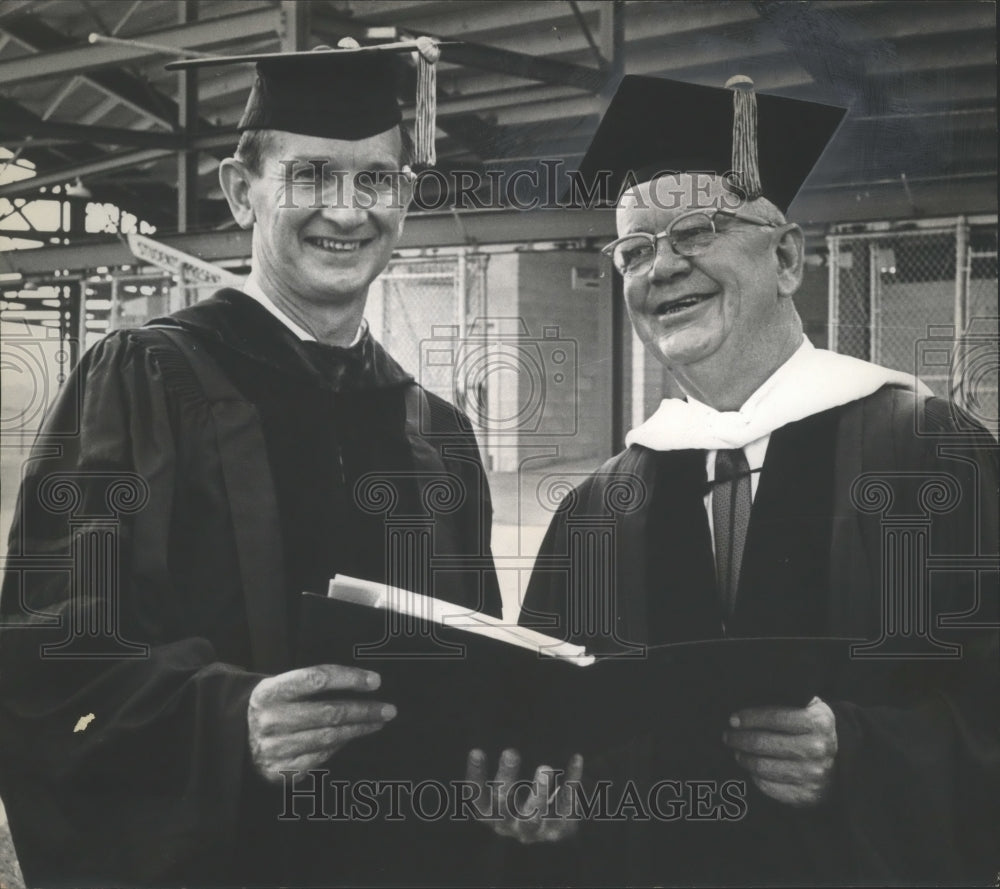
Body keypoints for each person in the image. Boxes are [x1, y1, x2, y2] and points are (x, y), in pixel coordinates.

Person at [0, 41, 502, 886]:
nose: (346, 211)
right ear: (242, 192)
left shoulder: (437, 431)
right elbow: (52, 656)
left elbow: (480, 672)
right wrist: (230, 719)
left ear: (406, 200)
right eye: (309, 176)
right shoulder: (146, 378)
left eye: (376, 180)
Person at [495, 74, 999, 885]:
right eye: (634, 250)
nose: (661, 268)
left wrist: (862, 752)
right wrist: (542, 801)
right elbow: (554, 733)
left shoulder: (926, 451)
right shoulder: (603, 503)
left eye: (695, 230)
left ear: (789, 256)